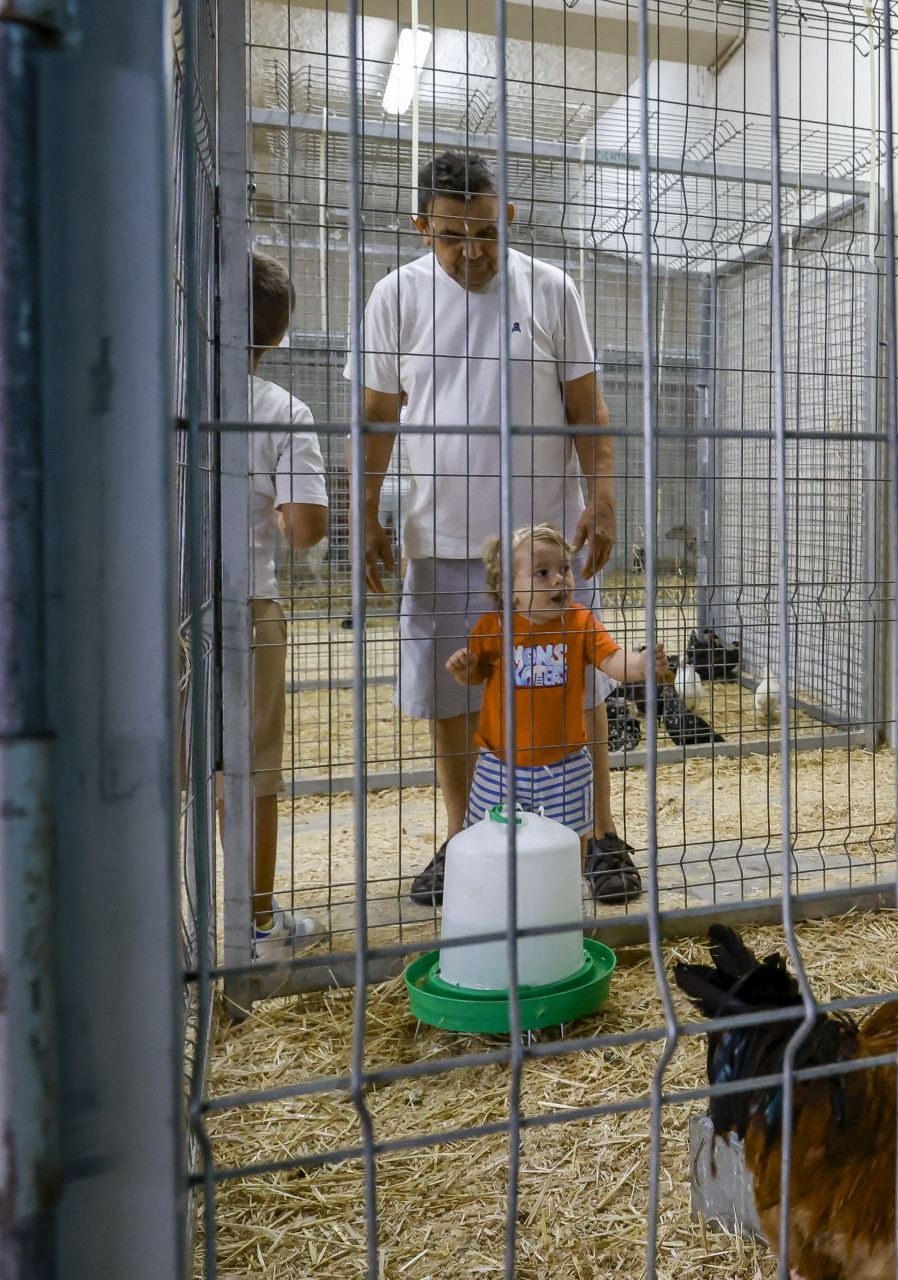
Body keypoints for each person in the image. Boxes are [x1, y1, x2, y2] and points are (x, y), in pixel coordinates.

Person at [347, 149, 639, 906]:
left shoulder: (550, 288)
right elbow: (377, 417)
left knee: (580, 690)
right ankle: (465, 840)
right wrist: (365, 509)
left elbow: (588, 409)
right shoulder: (395, 298)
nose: (472, 251)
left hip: (542, 551)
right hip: (439, 540)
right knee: (456, 697)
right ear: (422, 228)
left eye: (484, 230)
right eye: (452, 236)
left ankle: (598, 835)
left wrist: (601, 497)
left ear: (505, 215)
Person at [446, 525, 662, 902]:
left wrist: (640, 664)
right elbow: (478, 675)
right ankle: (498, 895)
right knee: (492, 835)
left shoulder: (580, 622)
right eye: (542, 573)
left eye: (564, 568)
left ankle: (563, 889)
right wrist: (464, 671)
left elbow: (611, 660)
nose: (559, 578)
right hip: (500, 764)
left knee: (570, 836)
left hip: (565, 763)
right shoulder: (494, 626)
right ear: (507, 589)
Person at [245, 251, 331, 960]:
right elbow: (306, 528)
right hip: (246, 605)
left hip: (153, 606)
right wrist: (275, 513)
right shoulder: (280, 408)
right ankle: (256, 921)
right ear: (275, 337)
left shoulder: (158, 391)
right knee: (251, 772)